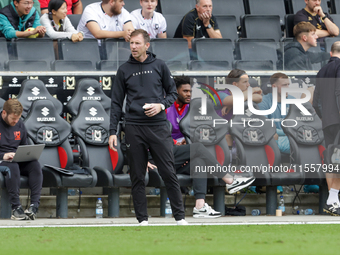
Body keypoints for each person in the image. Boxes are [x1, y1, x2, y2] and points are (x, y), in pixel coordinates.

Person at [109, 29, 187, 226]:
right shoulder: (124, 69)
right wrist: (113, 132)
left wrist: (160, 105)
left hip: (159, 126)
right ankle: (142, 220)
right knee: (137, 175)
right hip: (134, 127)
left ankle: (180, 218)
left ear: (146, 45)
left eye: (137, 43)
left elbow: (172, 93)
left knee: (168, 172)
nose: (133, 47)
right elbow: (116, 103)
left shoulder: (160, 66)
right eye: (131, 43)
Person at [162, 76, 255, 218]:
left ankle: (200, 206)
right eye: (185, 91)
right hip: (166, 152)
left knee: (199, 163)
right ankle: (229, 179)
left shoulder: (191, 108)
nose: (189, 94)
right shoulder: (165, 109)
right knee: (198, 148)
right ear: (175, 92)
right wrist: (176, 143)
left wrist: (227, 106)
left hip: (181, 155)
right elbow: (157, 136)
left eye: (190, 91)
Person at [0, 99, 43, 220]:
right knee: (12, 166)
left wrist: (27, 154)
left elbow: (25, 145)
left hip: (16, 158)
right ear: (4, 113)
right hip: (2, 160)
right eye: (13, 119)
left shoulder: (20, 124)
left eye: (18, 118)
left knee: (35, 165)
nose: (16, 121)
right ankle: (16, 208)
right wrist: (3, 155)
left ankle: (34, 207)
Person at [313, 41, 340, 216]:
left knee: (332, 160)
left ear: (330, 53)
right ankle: (333, 199)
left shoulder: (321, 71)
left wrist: (325, 118)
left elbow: (316, 102)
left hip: (328, 122)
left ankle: (333, 201)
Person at [214, 69, 262, 148]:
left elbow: (259, 98)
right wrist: (252, 90)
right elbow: (236, 99)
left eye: (248, 81)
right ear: (235, 84)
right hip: (225, 134)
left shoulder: (246, 94)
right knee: (228, 137)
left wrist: (231, 105)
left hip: (243, 132)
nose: (248, 85)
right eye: (245, 82)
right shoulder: (219, 95)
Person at [258, 73, 293, 155]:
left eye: (288, 85)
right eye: (284, 85)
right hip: (272, 139)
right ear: (274, 87)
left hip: (289, 137)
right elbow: (266, 128)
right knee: (273, 137)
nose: (287, 88)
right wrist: (288, 133)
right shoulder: (264, 102)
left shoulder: (293, 100)